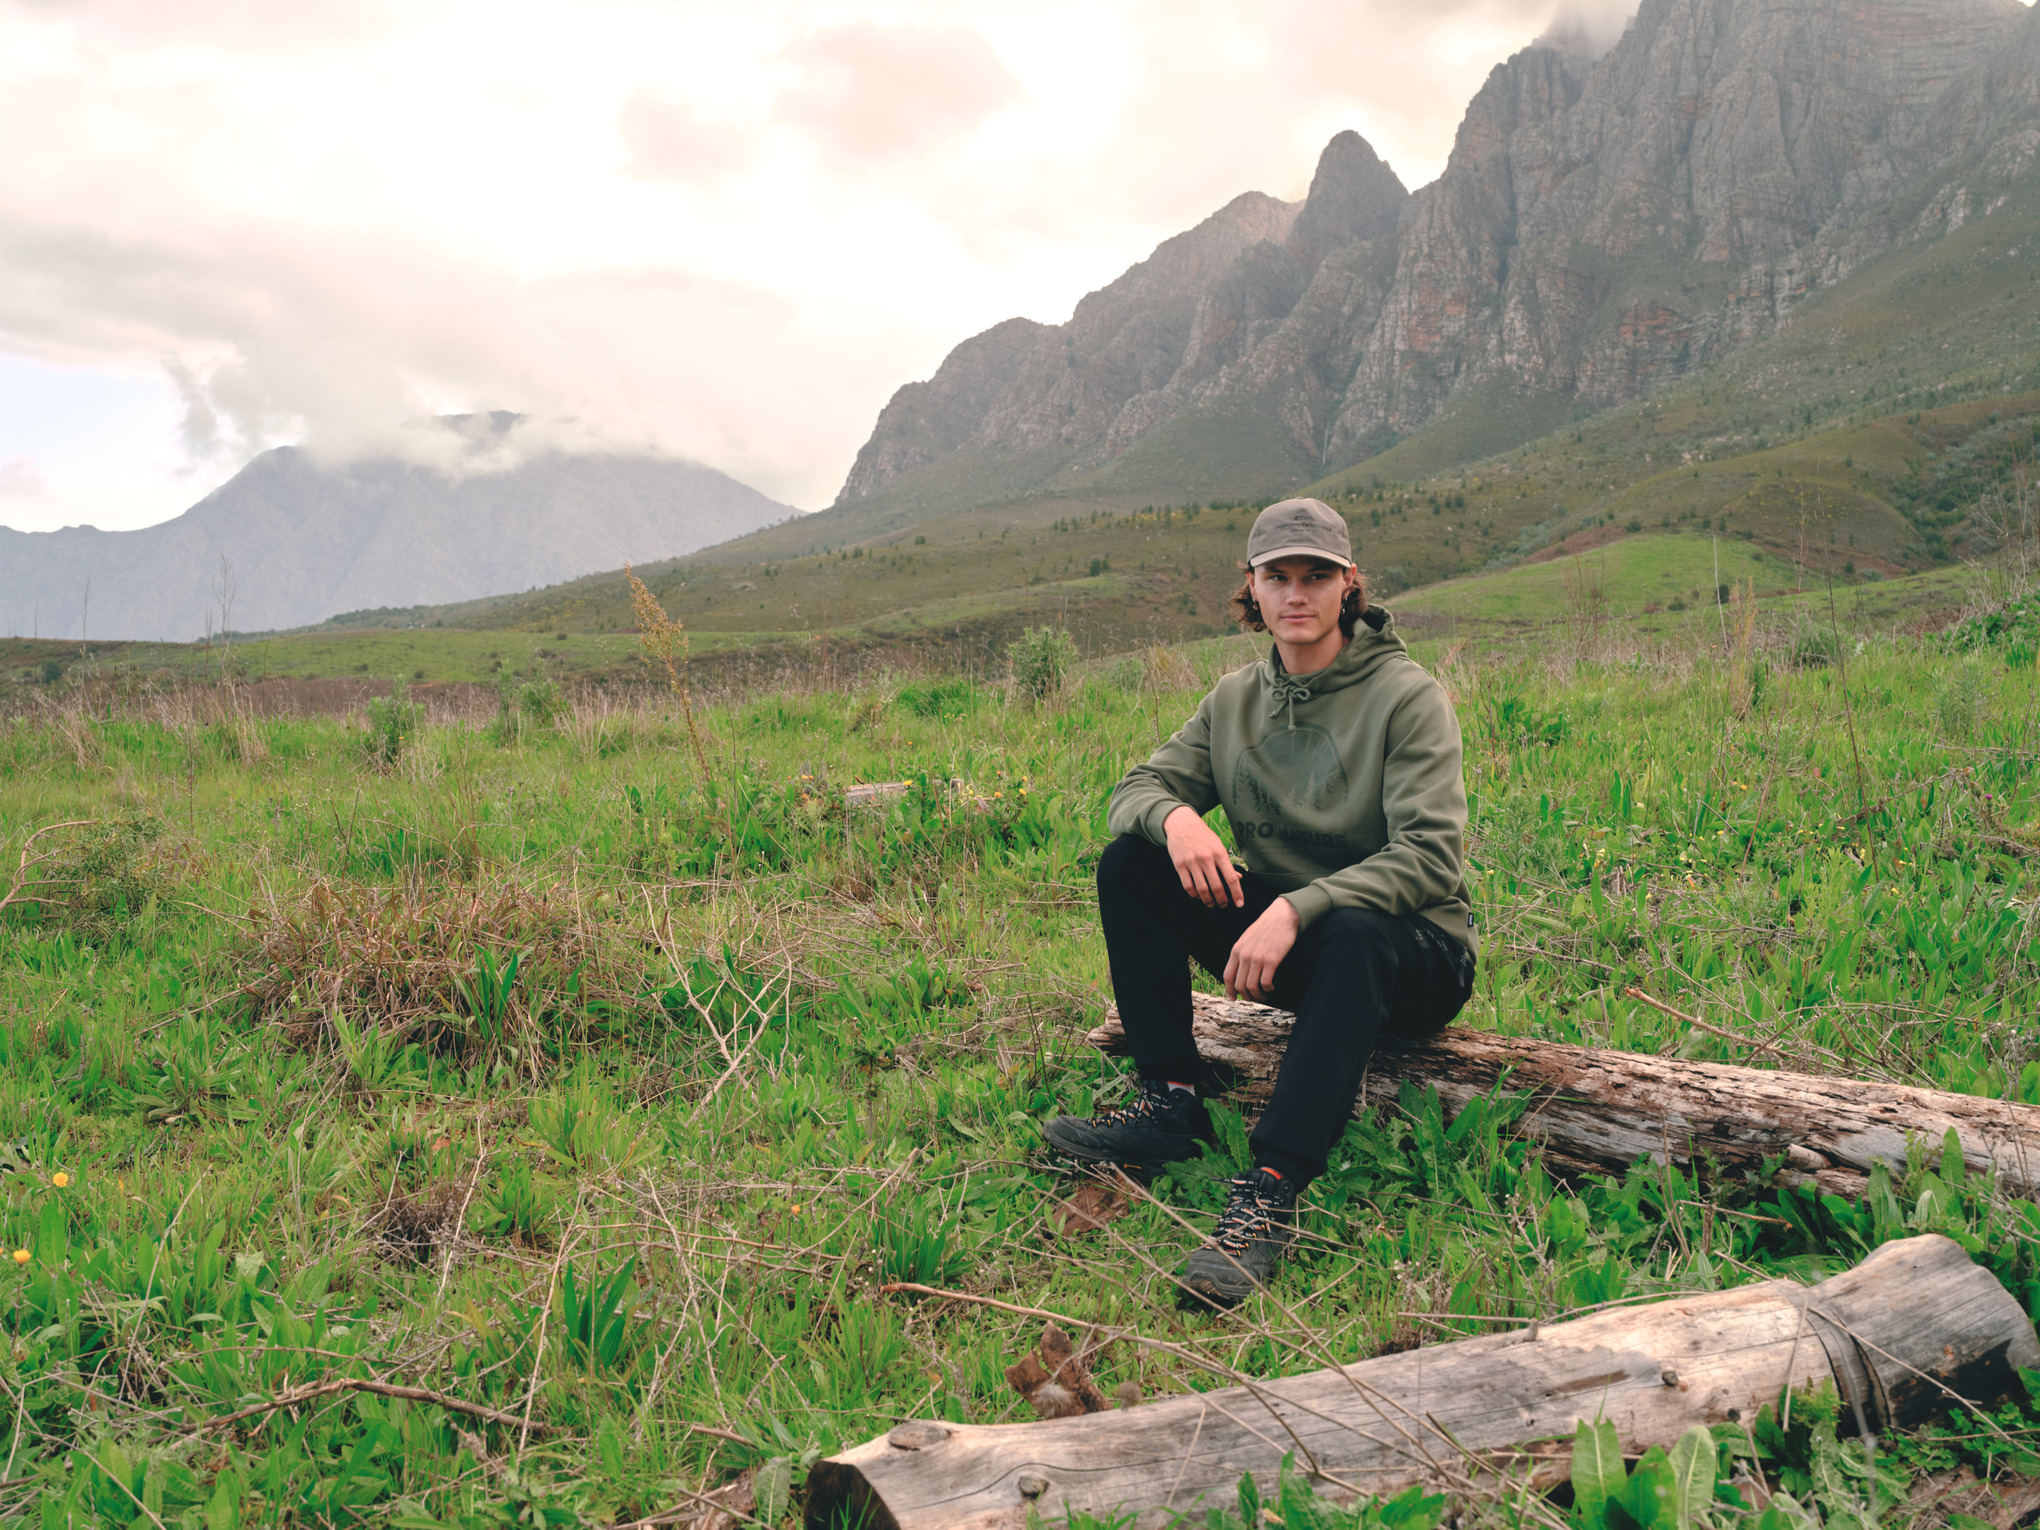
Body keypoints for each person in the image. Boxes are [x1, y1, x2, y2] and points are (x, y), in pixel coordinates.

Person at [1045, 496, 1478, 1310]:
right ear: (1252, 586)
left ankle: (1271, 1189)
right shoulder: (1236, 698)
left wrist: (1292, 910)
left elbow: (1428, 857)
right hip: (1302, 948)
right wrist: (1176, 818)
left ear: (1348, 584)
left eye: (1317, 575)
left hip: (1413, 953)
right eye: (1278, 576)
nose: (1297, 594)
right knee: (1131, 862)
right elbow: (1137, 788)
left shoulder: (1406, 696)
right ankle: (1172, 1101)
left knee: (1349, 930)